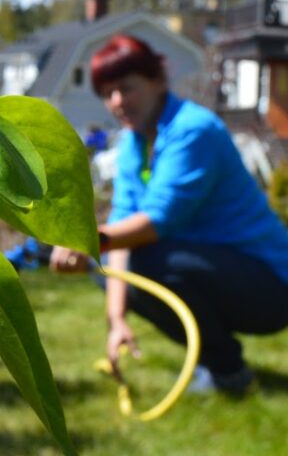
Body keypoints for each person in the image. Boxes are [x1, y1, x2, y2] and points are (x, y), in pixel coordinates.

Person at [50, 34, 288, 395]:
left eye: (126, 88)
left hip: (269, 285)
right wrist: (116, 321)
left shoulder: (194, 130)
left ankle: (228, 371)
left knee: (146, 261)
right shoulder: (134, 143)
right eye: (108, 93)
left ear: (157, 80)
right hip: (212, 270)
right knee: (113, 267)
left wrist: (83, 240)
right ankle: (217, 362)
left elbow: (155, 222)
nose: (117, 102)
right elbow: (120, 232)